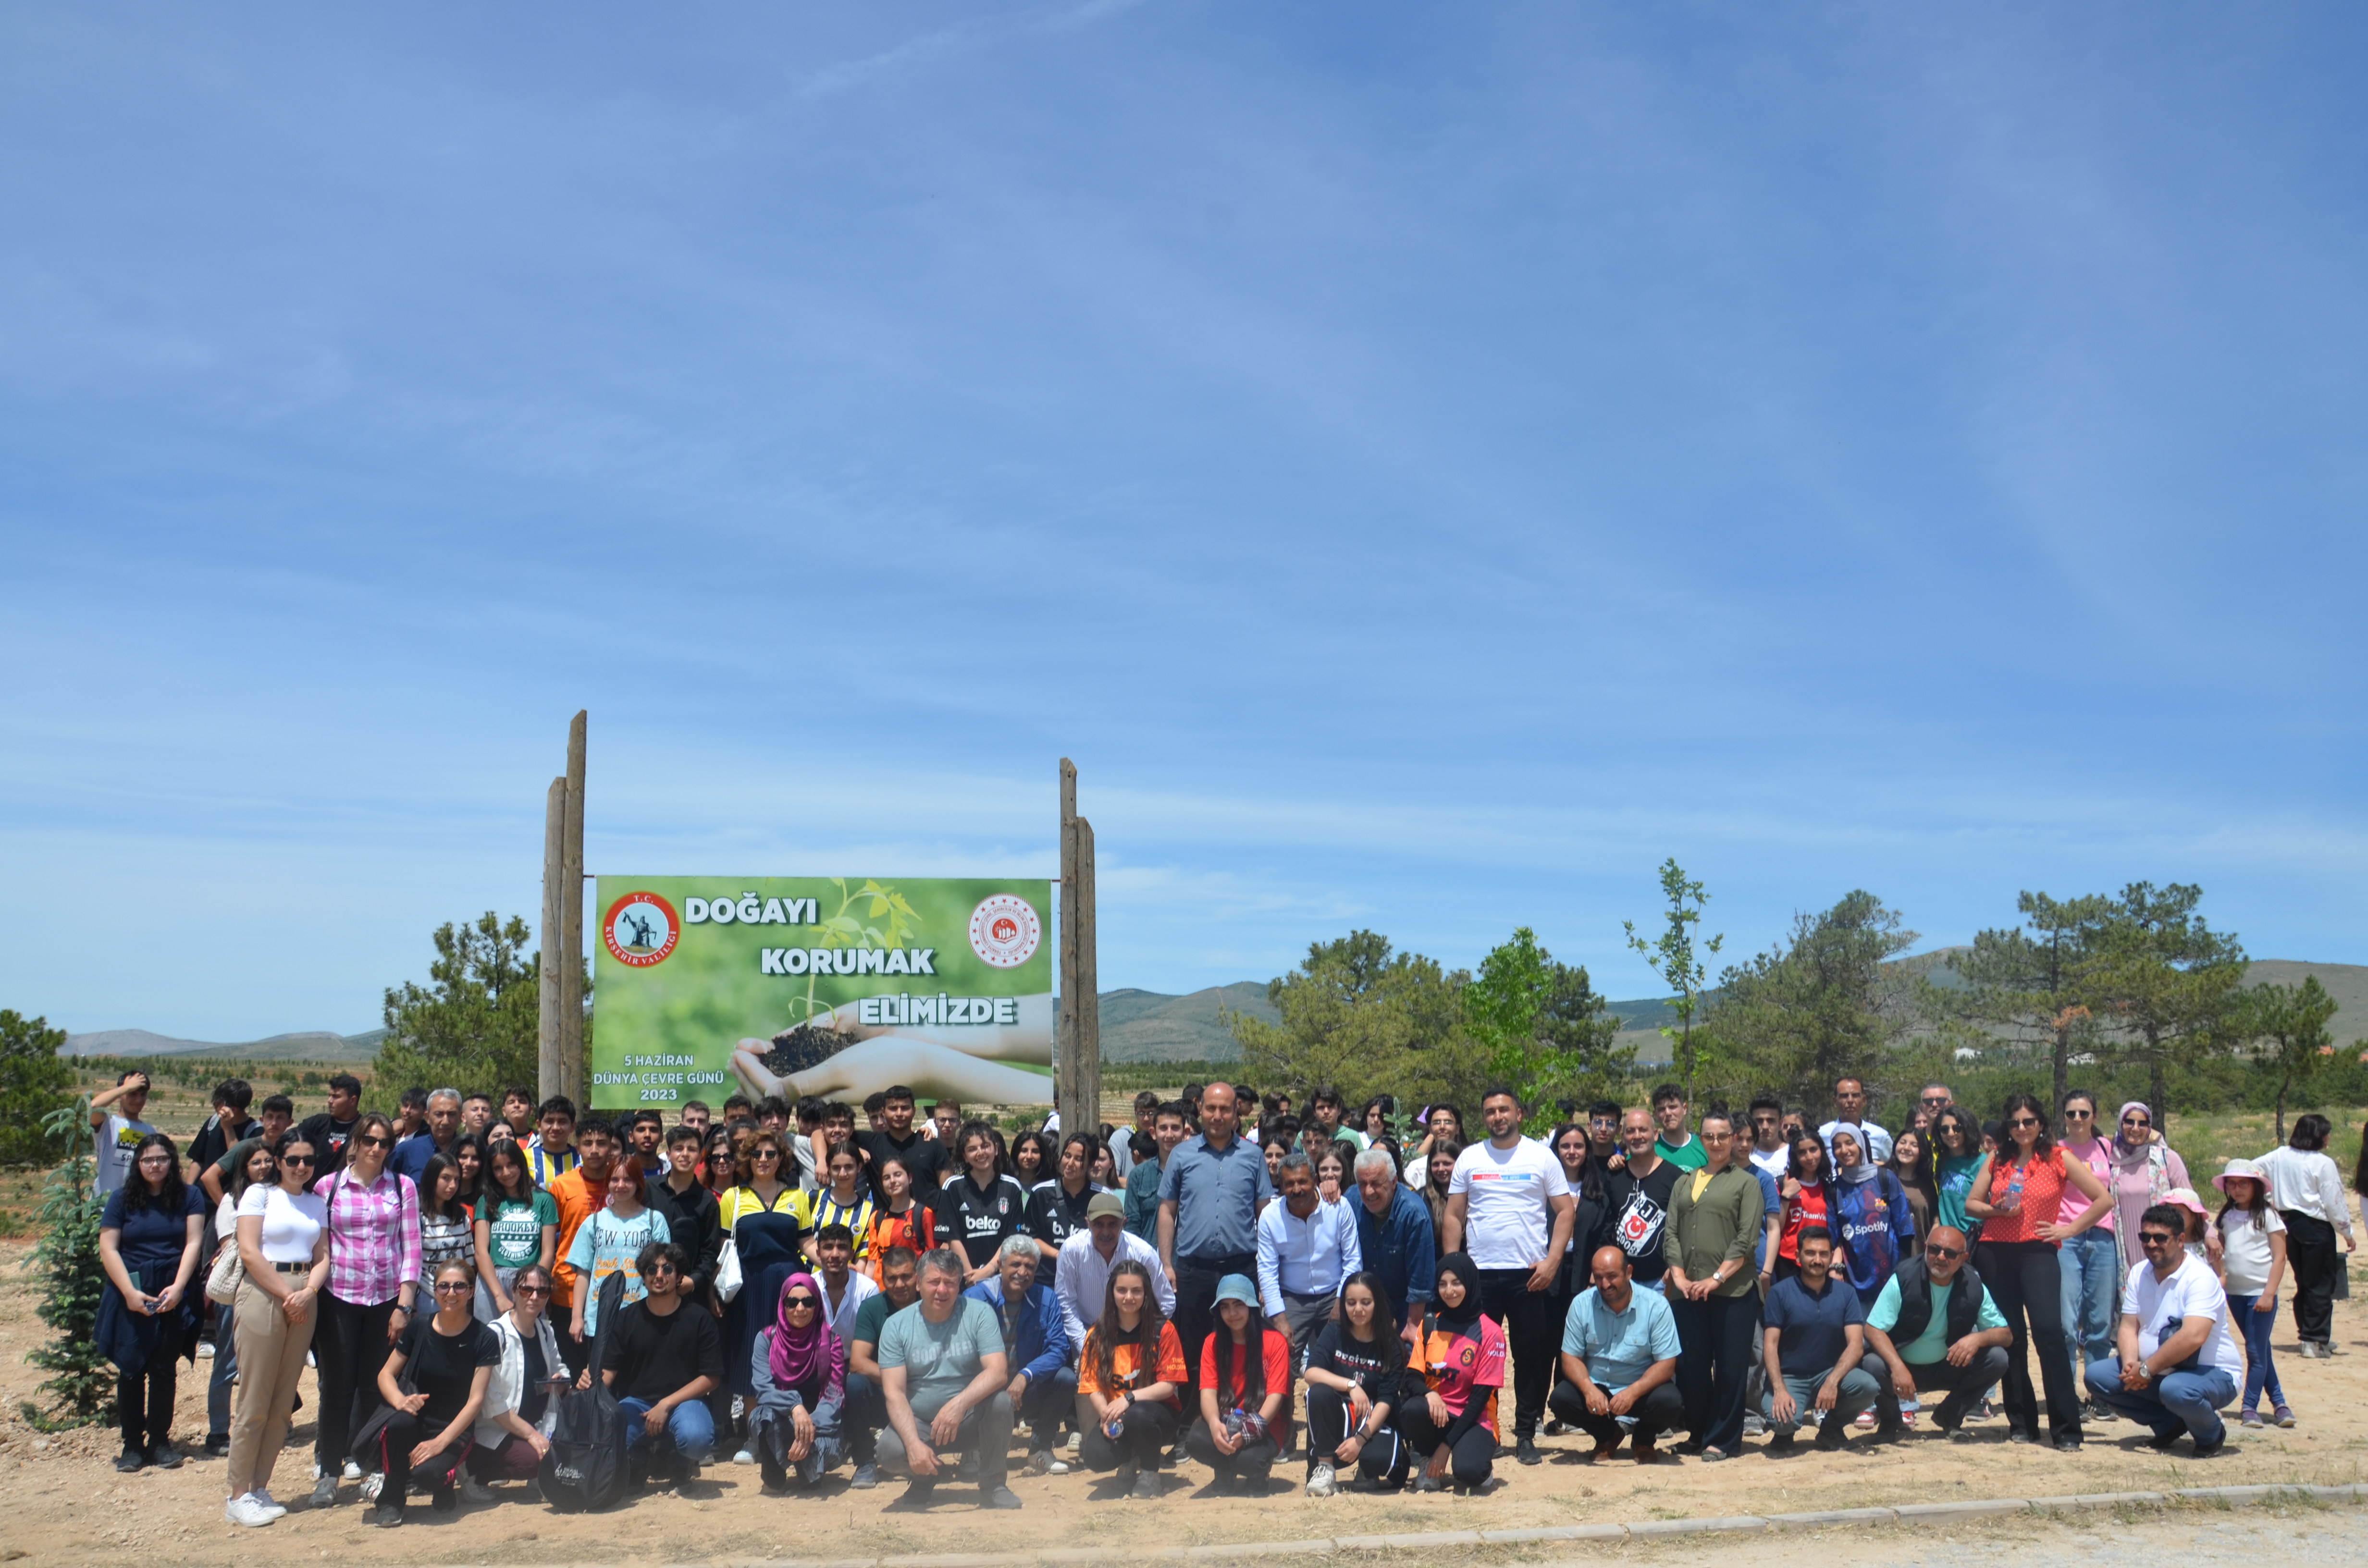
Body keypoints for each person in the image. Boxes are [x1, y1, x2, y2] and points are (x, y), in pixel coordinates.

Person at [1964, 1092, 2113, 1449]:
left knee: (2049, 1334)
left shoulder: (2059, 1158)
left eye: (2028, 1121)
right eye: (2014, 1122)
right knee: (2011, 1336)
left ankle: (2066, 1429)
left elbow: (2104, 1199)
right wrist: (1996, 1211)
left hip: (2039, 1251)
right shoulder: (1996, 1159)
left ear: (2041, 1124)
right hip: (1995, 1252)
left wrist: (2068, 1230)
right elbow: (1971, 1204)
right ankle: (2021, 1423)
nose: (2021, 1128)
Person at [1441, 1084, 1572, 1464]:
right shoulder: (1469, 1158)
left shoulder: (1541, 1157)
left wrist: (1552, 1262)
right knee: (1475, 1357)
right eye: (1490, 1112)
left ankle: (1526, 1432)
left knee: (1529, 1357)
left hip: (1528, 1274)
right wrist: (1453, 1269)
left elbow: (1565, 1212)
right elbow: (1454, 1214)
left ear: (1519, 1114)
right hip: (1479, 1275)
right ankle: (1485, 1430)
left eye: (1504, 1110)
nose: (1497, 1117)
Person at [310, 1112, 421, 1507]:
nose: (377, 1149)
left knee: (377, 1388)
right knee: (336, 1388)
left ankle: (373, 1465)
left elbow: (412, 1249)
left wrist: (404, 1306)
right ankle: (329, 1471)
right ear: (354, 1144)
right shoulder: (328, 1186)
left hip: (386, 1302)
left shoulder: (402, 1187)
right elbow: (320, 1247)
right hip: (338, 1298)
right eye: (370, 1141)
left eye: (384, 1143)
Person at [223, 1131, 329, 1526]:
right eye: (293, 1159)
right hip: (266, 1291)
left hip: (305, 1295)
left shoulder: (317, 1203)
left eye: (308, 1160)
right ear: (279, 1160)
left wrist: (309, 1292)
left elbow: (323, 1255)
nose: (301, 1167)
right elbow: (249, 1250)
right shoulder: (259, 1196)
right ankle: (238, 1493)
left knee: (283, 1401)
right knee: (255, 1398)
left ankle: (260, 1485)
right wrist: (289, 1294)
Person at [2083, 1204, 2244, 1455]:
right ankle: (2169, 1425)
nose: (2151, 1244)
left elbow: (2193, 1336)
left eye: (2160, 1238)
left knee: (2176, 1390)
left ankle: (2211, 1434)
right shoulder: (2139, 1272)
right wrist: (2130, 1367)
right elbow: (2128, 1326)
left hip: (2213, 1373)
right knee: (2097, 1377)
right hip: (2157, 1371)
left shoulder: (2201, 1278)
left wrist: (2146, 1370)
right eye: (2145, 1237)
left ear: (2181, 1240)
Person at [876, 1247, 1021, 1511]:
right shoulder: (896, 1326)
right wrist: (912, 1445)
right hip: (921, 1423)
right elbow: (894, 1393)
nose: (942, 1290)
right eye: (934, 1282)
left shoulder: (979, 1313)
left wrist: (958, 1405)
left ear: (959, 1285)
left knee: (1001, 1403)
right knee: (888, 1452)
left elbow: (998, 1371)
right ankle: (924, 1477)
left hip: (969, 1419)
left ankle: (993, 1482)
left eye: (950, 1283)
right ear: (919, 1284)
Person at [358, 1260, 497, 1527]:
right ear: (435, 1291)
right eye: (443, 1286)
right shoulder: (419, 1326)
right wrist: (401, 1400)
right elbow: (385, 1375)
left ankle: (444, 1485)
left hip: (453, 1429)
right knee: (399, 1423)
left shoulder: (484, 1337)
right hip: (417, 1420)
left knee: (426, 1476)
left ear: (471, 1291)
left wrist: (441, 1442)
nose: (451, 1293)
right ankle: (391, 1501)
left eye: (459, 1287)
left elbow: (476, 1400)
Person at [1160, 1083, 1276, 1401]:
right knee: (1191, 1348)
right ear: (1201, 1110)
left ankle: (1244, 1414)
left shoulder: (1253, 1157)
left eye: (1225, 1109)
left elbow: (1265, 1216)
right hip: (1192, 1270)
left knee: (1243, 1346)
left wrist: (1267, 1274)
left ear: (1237, 1112)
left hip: (1240, 1270)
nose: (1217, 1115)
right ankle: (1190, 1424)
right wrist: (1167, 1264)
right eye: (1211, 1108)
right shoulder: (1182, 1155)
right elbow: (1167, 1210)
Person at [96, 1131, 203, 1473]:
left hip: (172, 1288)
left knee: (162, 1368)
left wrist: (178, 1287)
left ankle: (159, 1441)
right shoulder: (121, 1200)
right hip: (131, 1288)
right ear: (138, 1164)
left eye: (162, 1158)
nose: (155, 1165)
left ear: (172, 1162)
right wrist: (129, 1292)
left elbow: (193, 1243)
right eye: (147, 1160)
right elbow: (109, 1247)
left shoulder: (190, 1196)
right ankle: (131, 1445)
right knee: (130, 1367)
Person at [1660, 1110, 1757, 1460]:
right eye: (1709, 1137)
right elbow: (1670, 1233)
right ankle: (1698, 1432)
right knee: (1692, 1369)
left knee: (1731, 1368)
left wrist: (1716, 1279)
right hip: (1688, 1292)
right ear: (1701, 1139)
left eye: (1723, 1136)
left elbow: (1747, 1240)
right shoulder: (1684, 1182)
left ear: (1734, 1139)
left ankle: (1724, 1439)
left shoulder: (1747, 1183)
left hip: (1733, 1293)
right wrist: (1681, 1276)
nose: (1716, 1143)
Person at [1863, 1224, 2011, 1435]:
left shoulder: (1974, 1285)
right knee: (1872, 1364)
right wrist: (1897, 1367)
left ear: (1964, 1257)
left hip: (1948, 1366)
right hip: (1905, 1368)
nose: (1941, 1257)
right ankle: (1891, 1421)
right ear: (1925, 1248)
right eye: (1934, 1250)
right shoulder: (1904, 1277)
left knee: (1997, 1358)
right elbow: (1873, 1329)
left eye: (1950, 1253)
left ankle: (1949, 1416)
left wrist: (1978, 1339)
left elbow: (2006, 1335)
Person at [604, 1242, 726, 1485]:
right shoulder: (626, 1318)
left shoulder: (699, 1318)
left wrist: (666, 1404)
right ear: (643, 1276)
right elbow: (609, 1371)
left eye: (668, 1269)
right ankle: (638, 1461)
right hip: (636, 1403)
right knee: (608, 1437)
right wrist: (592, 1382)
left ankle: (681, 1464)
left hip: (685, 1403)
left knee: (696, 1439)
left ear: (680, 1277)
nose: (659, 1276)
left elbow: (712, 1377)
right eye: (652, 1270)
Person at [1549, 1244, 1683, 1462]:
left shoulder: (1656, 1306)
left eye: (1612, 1276)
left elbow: (1667, 1363)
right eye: (1599, 1277)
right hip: (1598, 1387)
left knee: (1670, 1404)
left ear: (1629, 1272)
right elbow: (1570, 1357)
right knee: (1561, 1400)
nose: (1605, 1284)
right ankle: (1608, 1436)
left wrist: (1633, 1392)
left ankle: (1644, 1440)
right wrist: (1588, 1389)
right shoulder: (1581, 1305)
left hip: (1639, 1388)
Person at [718, 1129, 805, 1451]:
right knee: (750, 1359)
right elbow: (724, 1247)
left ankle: (789, 1431)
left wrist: (831, 1261)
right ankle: (757, 1439)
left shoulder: (797, 1196)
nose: (764, 1160)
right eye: (757, 1155)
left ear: (782, 1159)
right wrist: (718, 1291)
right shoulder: (734, 1198)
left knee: (787, 1355)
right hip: (749, 1285)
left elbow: (805, 1242)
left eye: (771, 1154)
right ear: (748, 1159)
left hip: (788, 1282)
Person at [1759, 1225, 1882, 1450]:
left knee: (1868, 1386)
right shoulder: (1780, 1293)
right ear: (1798, 1256)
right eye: (1810, 1253)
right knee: (1782, 1421)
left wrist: (1832, 1382)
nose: (1817, 1260)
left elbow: (1856, 1346)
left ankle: (1831, 1429)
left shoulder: (1846, 1294)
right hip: (1790, 1377)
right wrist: (1779, 1389)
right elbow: (1770, 1345)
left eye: (1824, 1254)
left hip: (1829, 1373)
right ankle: (1785, 1433)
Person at [1076, 1258, 1186, 1498]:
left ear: (1146, 1293)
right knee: (1095, 1456)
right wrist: (1105, 1415)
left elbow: (1169, 1385)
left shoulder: (1163, 1330)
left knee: (1137, 1415)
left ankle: (1150, 1472)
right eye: (1122, 1290)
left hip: (1156, 1416)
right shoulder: (1096, 1335)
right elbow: (1092, 1385)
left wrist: (1129, 1398)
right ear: (1112, 1293)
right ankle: (1132, 1458)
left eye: (1137, 1291)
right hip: (1116, 1415)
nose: (1129, 1297)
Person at [966, 1235, 1075, 1474]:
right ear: (1001, 1265)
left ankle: (1039, 1450)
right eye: (1016, 1264)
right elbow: (961, 1356)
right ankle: (971, 1449)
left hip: (1022, 1392)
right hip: (981, 1395)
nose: (1022, 1272)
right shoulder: (974, 1299)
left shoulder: (1046, 1298)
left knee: (1066, 1379)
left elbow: (1059, 1348)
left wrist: (1027, 1375)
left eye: (1030, 1267)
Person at [1397, 1252, 1504, 1493]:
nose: (1449, 1291)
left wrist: (1446, 1447)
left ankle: (1472, 1460)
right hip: (1439, 1413)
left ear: (1470, 1283)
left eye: (1457, 1283)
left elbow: (1479, 1400)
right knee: (1413, 1409)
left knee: (1469, 1473)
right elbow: (1412, 1378)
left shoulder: (1490, 1333)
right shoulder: (1430, 1324)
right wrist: (1429, 1394)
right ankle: (1428, 1460)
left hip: (1475, 1417)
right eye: (1443, 1284)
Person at [205, 1137, 281, 1456]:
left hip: (274, 1287)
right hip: (241, 1288)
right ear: (244, 1169)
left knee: (271, 1363)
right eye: (255, 1162)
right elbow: (231, 1247)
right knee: (228, 1361)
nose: (263, 1167)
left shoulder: (282, 1197)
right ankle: (219, 1431)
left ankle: (274, 1423)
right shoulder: (231, 1203)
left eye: (267, 1160)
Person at [2257, 1112, 2355, 1359]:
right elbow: (2334, 1202)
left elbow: (2252, 1168)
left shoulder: (2279, 1156)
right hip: (2315, 1227)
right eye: (2326, 1133)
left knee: (2304, 1281)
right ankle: (2315, 1340)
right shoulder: (2322, 1163)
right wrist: (2347, 1232)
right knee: (2321, 1285)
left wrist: (2269, 1199)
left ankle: (2309, 1334)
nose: (2328, 1138)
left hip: (2287, 1225)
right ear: (2317, 1136)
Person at [1300, 1272, 1407, 1495]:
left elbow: (1387, 1399)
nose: (1358, 1309)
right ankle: (1325, 1469)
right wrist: (1351, 1385)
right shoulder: (1334, 1332)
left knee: (1381, 1462)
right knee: (1317, 1392)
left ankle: (1370, 1468)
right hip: (1339, 1417)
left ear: (1377, 1304)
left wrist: (1360, 1440)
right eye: (1351, 1303)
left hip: (1375, 1422)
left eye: (1366, 1303)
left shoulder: (1390, 1344)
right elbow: (1311, 1373)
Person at [466, 1263, 567, 1493]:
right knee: (531, 1463)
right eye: (527, 1290)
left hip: (531, 1418)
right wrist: (533, 1437)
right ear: (514, 1291)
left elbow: (561, 1369)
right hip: (496, 1425)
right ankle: (474, 1471)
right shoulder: (494, 1334)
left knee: (574, 1396)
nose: (534, 1297)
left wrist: (560, 1381)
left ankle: (541, 1462)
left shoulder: (545, 1330)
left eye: (542, 1292)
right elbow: (491, 1402)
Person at [1184, 1273, 1289, 1493]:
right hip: (1226, 1419)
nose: (1232, 1314)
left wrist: (1250, 1431)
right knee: (1195, 1441)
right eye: (1224, 1307)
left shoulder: (1275, 1342)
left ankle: (1257, 1472)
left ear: (1252, 1306)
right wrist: (1214, 1425)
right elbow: (1208, 1394)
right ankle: (1224, 1469)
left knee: (1251, 1461)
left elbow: (1275, 1396)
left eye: (1238, 1305)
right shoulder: (1212, 1343)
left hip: (1265, 1423)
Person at [1257, 1151, 1362, 1370]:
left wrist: (1341, 1301)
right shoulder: (1270, 1216)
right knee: (1279, 1358)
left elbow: (1353, 1260)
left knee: (1347, 1358)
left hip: (1335, 1293)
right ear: (1281, 1186)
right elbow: (1267, 1271)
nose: (1297, 1190)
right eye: (1289, 1184)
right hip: (1293, 1297)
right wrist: (1279, 1319)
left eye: (1303, 1182)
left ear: (1315, 1181)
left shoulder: (1338, 1208)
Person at [2212, 1158, 2291, 1429]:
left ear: (2256, 1186)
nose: (2237, 1189)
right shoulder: (2225, 1217)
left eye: (2243, 1184)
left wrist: (2269, 1294)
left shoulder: (2268, 1216)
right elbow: (2216, 1247)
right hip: (2235, 1294)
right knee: (2262, 1349)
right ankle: (2280, 1404)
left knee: (2255, 1352)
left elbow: (2280, 1258)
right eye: (2232, 1184)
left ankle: (2249, 1407)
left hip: (2260, 1293)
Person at [2054, 1090, 2121, 1409]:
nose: (2077, 1119)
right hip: (2067, 1238)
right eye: (2071, 1114)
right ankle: (2067, 1398)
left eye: (2084, 1113)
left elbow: (2145, 1143)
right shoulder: (2056, 1151)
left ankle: (2100, 1395)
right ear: (2063, 1117)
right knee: (2067, 1323)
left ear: (2094, 1116)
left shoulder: (2107, 1147)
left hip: (2103, 1238)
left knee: (2100, 1324)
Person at [750, 1271, 845, 1491]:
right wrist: (794, 1406)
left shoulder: (831, 1341)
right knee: (764, 1415)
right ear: (782, 1306)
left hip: (819, 1424)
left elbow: (834, 1394)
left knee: (812, 1485)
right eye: (792, 1302)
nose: (800, 1309)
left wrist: (808, 1428)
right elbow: (764, 1390)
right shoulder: (766, 1339)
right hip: (781, 1418)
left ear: (818, 1305)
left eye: (808, 1302)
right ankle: (774, 1477)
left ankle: (810, 1467)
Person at [844, 1243, 923, 1489]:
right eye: (892, 1278)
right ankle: (865, 1461)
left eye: (906, 1277)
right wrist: (898, 1380)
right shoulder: (873, 1308)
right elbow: (857, 1363)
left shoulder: (934, 1303)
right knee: (854, 1384)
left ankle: (967, 1451)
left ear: (918, 1277)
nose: (899, 1285)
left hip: (927, 1394)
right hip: (888, 1394)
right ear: (883, 1278)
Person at [1057, 1190, 1172, 1351]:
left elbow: (1166, 1302)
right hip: (1087, 1335)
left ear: (1124, 1223)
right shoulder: (1071, 1250)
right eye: (1098, 1224)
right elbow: (1065, 1303)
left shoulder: (1142, 1253)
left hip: (1135, 1341)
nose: (1105, 1232)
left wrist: (1143, 1336)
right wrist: (1086, 1344)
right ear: (1087, 1223)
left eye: (1112, 1224)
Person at [1352, 1147, 1436, 1332]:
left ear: (1394, 1182)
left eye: (1376, 1183)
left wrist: (1412, 1325)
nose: (1369, 1191)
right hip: (1361, 1304)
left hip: (1404, 1306)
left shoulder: (1414, 1214)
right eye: (1362, 1184)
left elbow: (1421, 1279)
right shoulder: (1350, 1201)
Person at [474, 1139, 558, 1322]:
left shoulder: (544, 1201)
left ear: (521, 1163)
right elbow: (481, 1252)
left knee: (529, 1344)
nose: (506, 1173)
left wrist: (534, 1287)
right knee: (490, 1344)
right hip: (492, 1281)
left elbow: (548, 1253)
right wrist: (498, 1296)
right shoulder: (486, 1201)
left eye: (511, 1164)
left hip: (531, 1282)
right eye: (498, 1168)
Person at [1828, 1126, 1914, 1304]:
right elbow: (1834, 1238)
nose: (1844, 1150)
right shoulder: (1834, 1190)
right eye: (1837, 1146)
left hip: (1891, 1278)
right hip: (1854, 1282)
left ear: (1860, 1145)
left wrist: (1903, 1274)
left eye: (1849, 1143)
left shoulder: (1885, 1179)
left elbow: (1904, 1229)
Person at [942, 1120, 1031, 1284]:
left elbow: (1012, 1238)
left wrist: (989, 1270)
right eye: (972, 1149)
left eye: (985, 1146)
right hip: (965, 1278)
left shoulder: (1012, 1187)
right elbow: (952, 1238)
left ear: (996, 1149)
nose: (980, 1153)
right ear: (965, 1156)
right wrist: (971, 1276)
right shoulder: (953, 1186)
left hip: (1001, 1277)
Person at [648, 1121, 725, 1307]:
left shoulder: (707, 1201)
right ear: (668, 1155)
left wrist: (694, 1281)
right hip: (647, 1286)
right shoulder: (648, 1189)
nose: (684, 1154)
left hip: (688, 1294)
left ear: (700, 1157)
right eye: (678, 1149)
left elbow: (710, 1251)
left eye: (691, 1149)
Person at [1602, 1109, 1679, 1291]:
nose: (1637, 1136)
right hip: (1621, 1283)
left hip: (1662, 1282)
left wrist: (1672, 1271)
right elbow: (1605, 1227)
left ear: (1656, 1134)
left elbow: (1686, 1227)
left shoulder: (1676, 1177)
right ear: (1623, 1136)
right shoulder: (1614, 1176)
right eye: (1631, 1131)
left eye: (1643, 1130)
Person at [2107, 1102, 2189, 1267]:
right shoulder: (2111, 1160)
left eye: (2142, 1123)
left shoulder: (2166, 1159)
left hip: (2162, 1244)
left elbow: (2190, 1201)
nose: (2135, 1128)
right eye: (2129, 1122)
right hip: (2124, 1247)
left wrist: (2209, 1235)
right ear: (2120, 1124)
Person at [202, 1094, 296, 1206]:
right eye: (270, 1117)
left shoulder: (293, 1150)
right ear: (262, 1120)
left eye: (280, 1118)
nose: (274, 1123)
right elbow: (209, 1177)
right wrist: (227, 1208)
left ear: (290, 1122)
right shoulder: (247, 1147)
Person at [858, 1086, 949, 1200]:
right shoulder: (871, 1143)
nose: (899, 1113)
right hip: (887, 1218)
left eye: (905, 1108)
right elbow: (833, 1134)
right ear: (884, 1112)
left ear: (914, 1111)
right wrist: (856, 1149)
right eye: (893, 1108)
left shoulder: (933, 1145)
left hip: (928, 1218)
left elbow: (948, 1193)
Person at [864, 1153, 945, 1282]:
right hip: (882, 1289)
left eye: (898, 1175)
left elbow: (932, 1257)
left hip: (913, 1289)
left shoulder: (924, 1214)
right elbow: (872, 1263)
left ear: (910, 1178)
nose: (892, 1181)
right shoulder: (877, 1218)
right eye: (886, 1178)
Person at [798, 1140, 876, 1264]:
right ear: (828, 1168)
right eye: (836, 1168)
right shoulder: (812, 1199)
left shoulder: (869, 1212)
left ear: (859, 1167)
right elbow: (804, 1242)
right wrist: (831, 1266)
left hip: (846, 1280)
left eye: (849, 1167)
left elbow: (862, 1257)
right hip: (809, 1278)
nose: (843, 1174)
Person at [1773, 1133, 1836, 1286]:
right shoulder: (1783, 1184)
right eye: (1802, 1152)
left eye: (1813, 1149)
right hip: (1788, 1261)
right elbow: (1775, 1227)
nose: (1809, 1157)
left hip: (1820, 1262)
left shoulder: (1829, 1188)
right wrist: (1787, 1196)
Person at [1026, 1131, 1104, 1250]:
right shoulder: (1040, 1193)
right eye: (1067, 1156)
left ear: (1091, 1164)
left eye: (1079, 1159)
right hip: (1049, 1267)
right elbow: (1030, 1237)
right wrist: (1059, 1256)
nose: (1070, 1163)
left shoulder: (1102, 1196)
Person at [89, 1069, 159, 1196]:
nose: (138, 1100)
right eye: (132, 1094)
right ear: (121, 1094)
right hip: (103, 1205)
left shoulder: (150, 1132)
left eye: (143, 1094)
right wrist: (125, 1088)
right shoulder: (109, 1124)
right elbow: (94, 1107)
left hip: (136, 1205)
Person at [1126, 1102, 1188, 1243]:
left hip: (1185, 1261)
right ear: (1153, 1133)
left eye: (1176, 1128)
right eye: (1163, 1128)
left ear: (1185, 1133)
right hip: (1148, 1258)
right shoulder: (1138, 1175)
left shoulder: (1196, 1174)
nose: (1169, 1134)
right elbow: (1132, 1226)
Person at [415, 1154, 476, 1295]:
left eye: (457, 1180)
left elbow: (469, 1260)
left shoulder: (461, 1215)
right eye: (446, 1178)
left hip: (459, 1296)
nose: (453, 1185)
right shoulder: (417, 1216)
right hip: (428, 1295)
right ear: (432, 1178)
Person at [810, 1223, 881, 1342]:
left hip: (854, 1360)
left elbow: (872, 1338)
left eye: (842, 1248)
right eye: (828, 1247)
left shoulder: (868, 1290)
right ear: (818, 1254)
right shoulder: (809, 1286)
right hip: (815, 1360)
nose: (835, 1255)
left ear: (851, 1254)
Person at [1929, 1105, 1985, 1238]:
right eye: (1944, 1129)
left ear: (1967, 1129)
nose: (1950, 1133)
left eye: (1957, 1128)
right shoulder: (1942, 1161)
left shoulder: (1982, 1162)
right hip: (1945, 1236)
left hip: (1971, 1236)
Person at [390, 1089, 463, 1184]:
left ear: (460, 1117)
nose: (445, 1122)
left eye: (451, 1114)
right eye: (439, 1114)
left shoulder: (469, 1153)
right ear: (428, 1117)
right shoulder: (407, 1151)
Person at [297, 1074, 365, 1177]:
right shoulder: (316, 1124)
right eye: (329, 1096)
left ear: (352, 1100)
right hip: (315, 1189)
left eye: (336, 1097)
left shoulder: (364, 1127)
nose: (330, 1101)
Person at [1818, 1075, 1893, 1164]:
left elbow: (1894, 1168)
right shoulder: (1822, 1135)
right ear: (1835, 1102)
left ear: (1864, 1100)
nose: (1850, 1100)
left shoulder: (1881, 1137)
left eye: (1855, 1095)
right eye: (1844, 1096)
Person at [1887, 1127, 1936, 1243]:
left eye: (1914, 1145)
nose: (1907, 1148)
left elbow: (1935, 1216)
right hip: (1890, 1254)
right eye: (1903, 1143)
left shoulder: (1928, 1185)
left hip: (1918, 1254)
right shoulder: (1882, 1178)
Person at [1649, 1085, 1703, 1170]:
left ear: (1685, 1109)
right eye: (1661, 1109)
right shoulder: (1649, 1150)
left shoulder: (1704, 1146)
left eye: (1673, 1107)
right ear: (1656, 1114)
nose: (1668, 1113)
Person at [1306, 1085, 1369, 1152]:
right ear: (1314, 1112)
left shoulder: (1353, 1136)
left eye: (1331, 1107)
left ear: (1339, 1110)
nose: (1326, 1112)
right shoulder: (1305, 1135)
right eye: (1321, 1108)